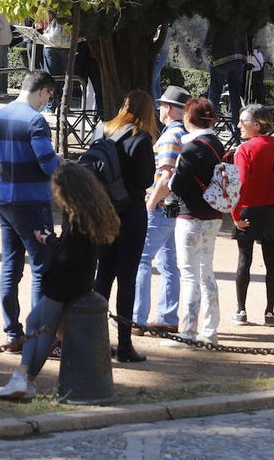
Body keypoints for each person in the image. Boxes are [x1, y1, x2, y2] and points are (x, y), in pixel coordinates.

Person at [0, 163, 121, 399]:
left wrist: (50, 243)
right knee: (35, 323)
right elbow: (73, 250)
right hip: (79, 280)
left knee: (42, 328)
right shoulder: (91, 213)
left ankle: (25, 378)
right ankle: (23, 377)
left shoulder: (77, 218)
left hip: (65, 283)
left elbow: (66, 255)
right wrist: (52, 240)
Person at [0, 70, 60, 351]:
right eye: (49, 95)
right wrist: (59, 161)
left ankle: (13, 333)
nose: (47, 101)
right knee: (42, 267)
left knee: (10, 266)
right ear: (43, 91)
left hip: (5, 199)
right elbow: (48, 164)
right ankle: (40, 336)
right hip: (33, 203)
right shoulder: (36, 120)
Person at [92, 90, 156, 363]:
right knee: (126, 278)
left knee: (102, 275)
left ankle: (96, 340)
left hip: (103, 211)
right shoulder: (140, 138)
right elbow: (145, 179)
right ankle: (125, 344)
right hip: (130, 212)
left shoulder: (102, 130)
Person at [165, 97, 226, 346]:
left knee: (189, 275)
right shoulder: (216, 143)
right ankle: (210, 330)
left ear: (190, 118)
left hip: (191, 217)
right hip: (213, 216)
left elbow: (177, 185)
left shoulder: (191, 148)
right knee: (206, 273)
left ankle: (187, 332)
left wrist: (169, 180)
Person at [136, 85, 190, 335]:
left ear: (168, 108)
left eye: (162, 105)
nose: (159, 109)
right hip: (175, 206)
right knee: (168, 263)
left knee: (142, 259)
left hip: (160, 205)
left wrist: (150, 202)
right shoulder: (185, 133)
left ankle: (137, 317)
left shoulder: (170, 136)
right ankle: (167, 316)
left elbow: (166, 174)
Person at [230, 105, 274, 327]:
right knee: (271, 261)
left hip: (248, 209)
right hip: (273, 209)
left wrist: (234, 214)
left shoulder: (244, 150)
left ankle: (241, 310)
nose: (239, 125)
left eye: (244, 121)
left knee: (245, 260)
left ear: (257, 124)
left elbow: (239, 183)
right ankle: (270, 312)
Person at [204, 26, 248, 131]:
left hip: (221, 57)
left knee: (214, 94)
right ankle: (236, 129)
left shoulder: (220, 13)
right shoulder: (244, 13)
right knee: (235, 95)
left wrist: (209, 48)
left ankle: (208, 128)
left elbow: (210, 36)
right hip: (239, 57)